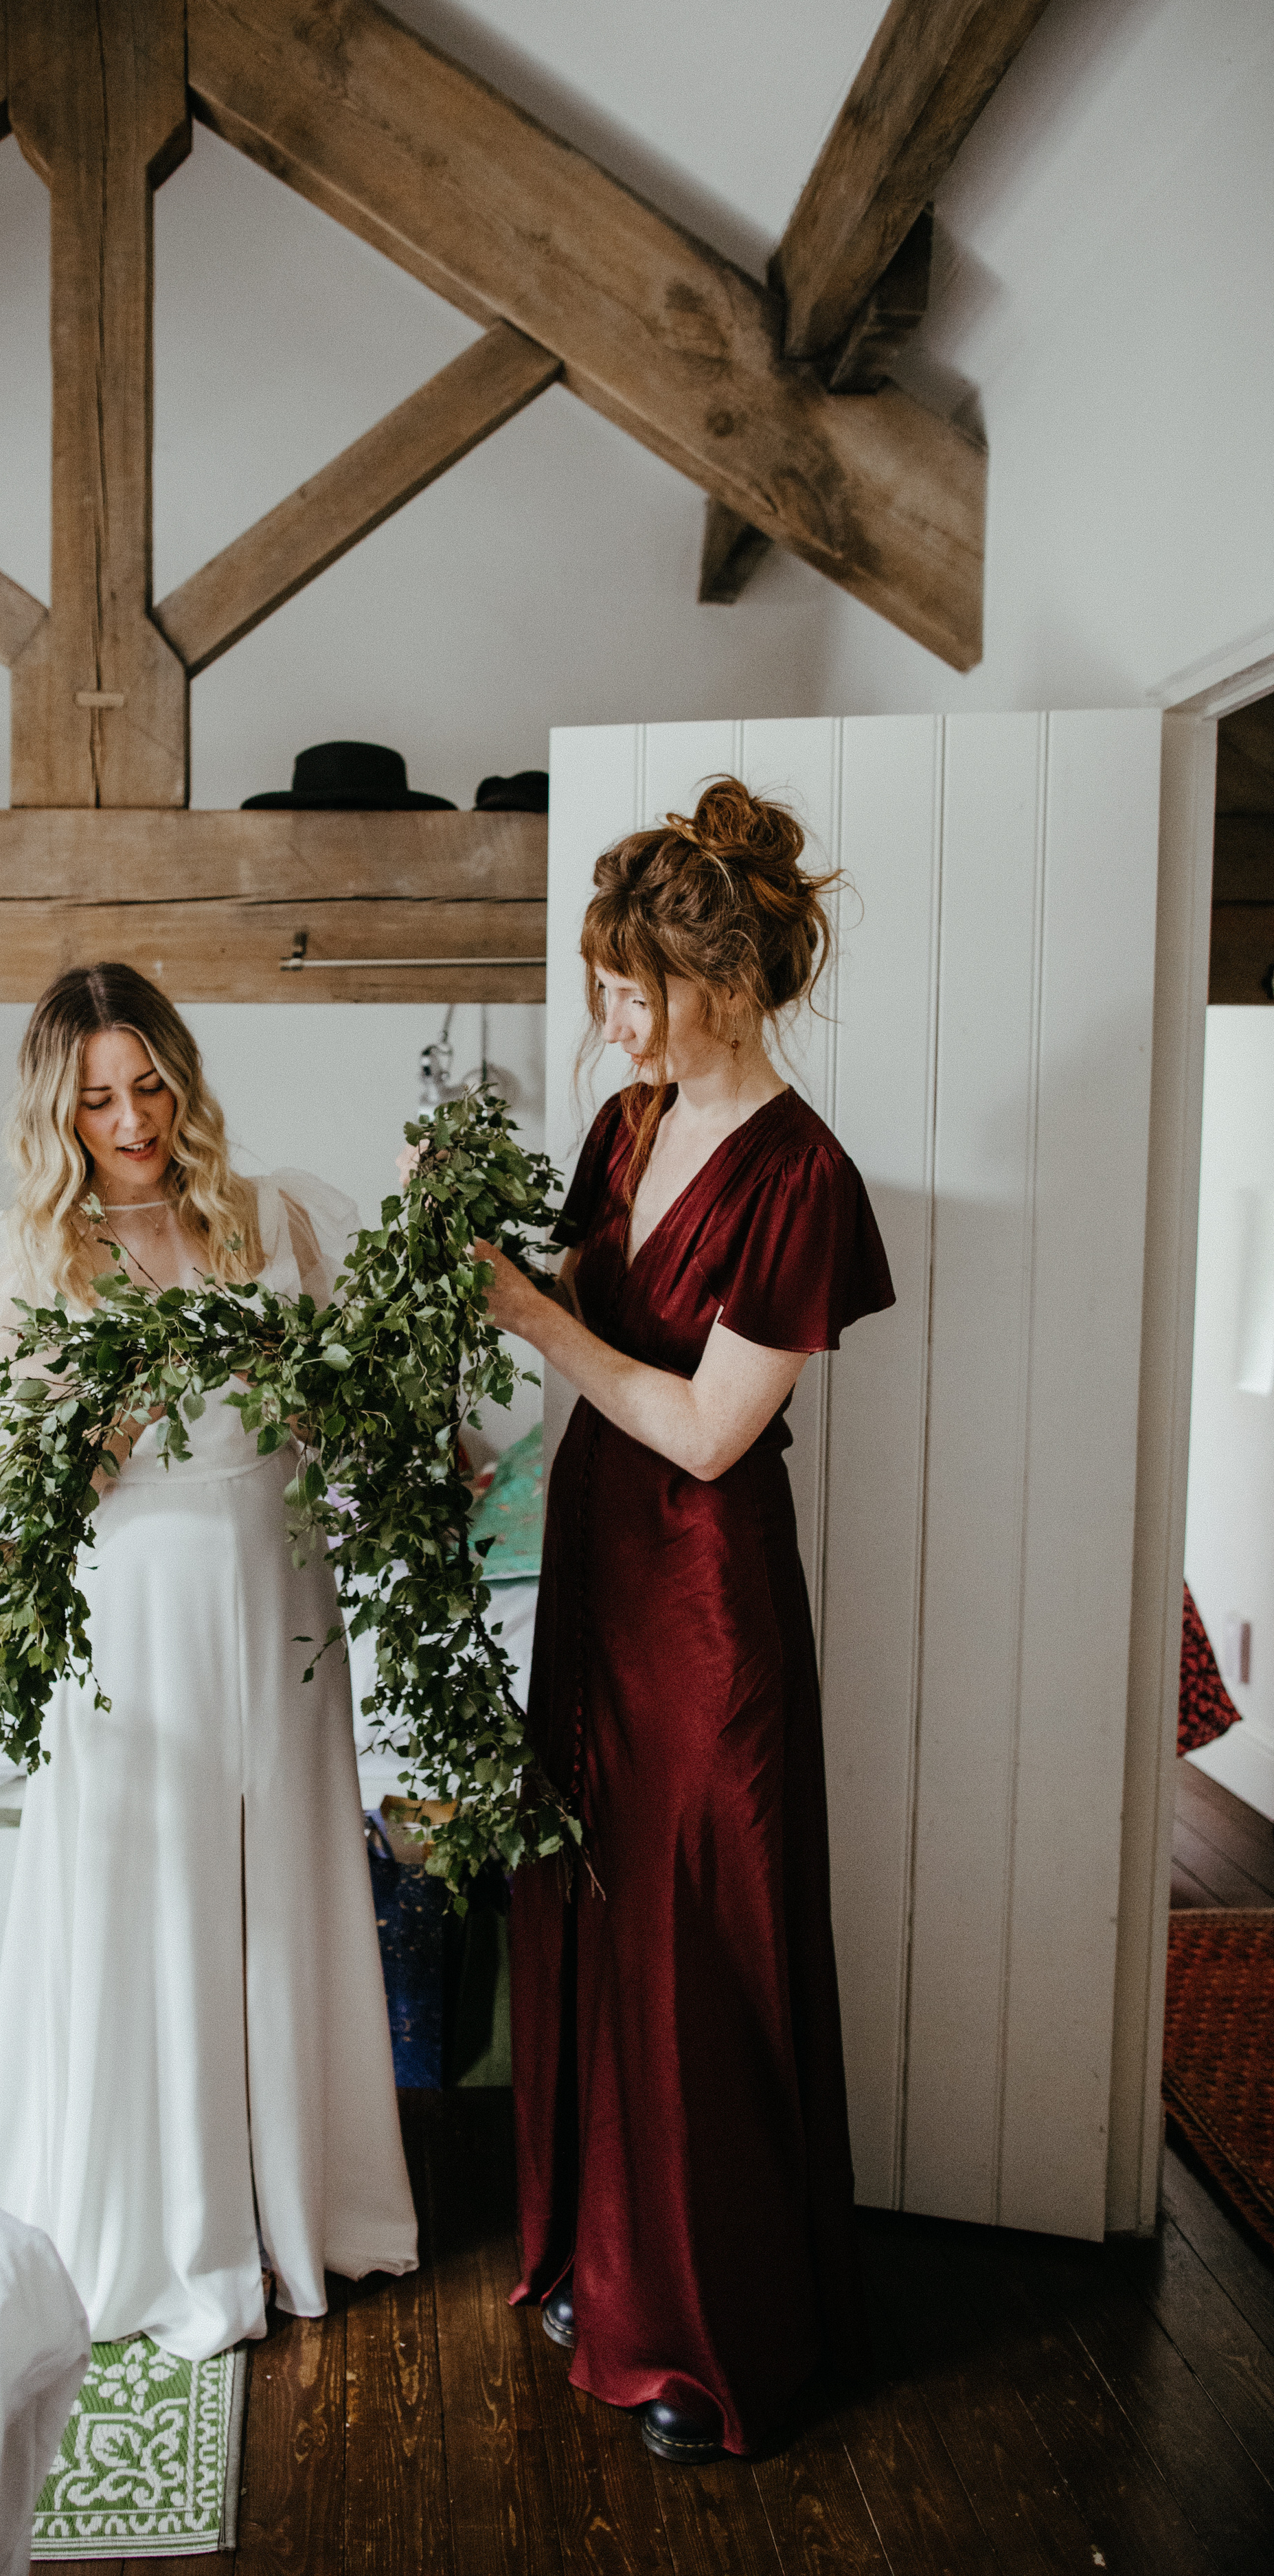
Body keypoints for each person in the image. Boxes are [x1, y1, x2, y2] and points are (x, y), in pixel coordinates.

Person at [471, 780, 895, 2464]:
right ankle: (601, 2251)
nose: (609, 1016)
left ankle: (704, 2329)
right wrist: (493, 1264)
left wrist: (529, 1319)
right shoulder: (626, 1126)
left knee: (695, 1931)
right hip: (594, 1554)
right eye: (604, 983)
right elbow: (591, 1299)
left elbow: (710, 1432)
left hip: (704, 1596)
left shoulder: (804, 1177)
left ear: (724, 983)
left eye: (632, 987)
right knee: (587, 1896)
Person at [0, 962, 417, 2360]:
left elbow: (336, 1418)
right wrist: (117, 1395)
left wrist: (406, 1440)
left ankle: (302, 2211)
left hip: (276, 1596)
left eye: (148, 1084)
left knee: (284, 1890)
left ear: (181, 1077)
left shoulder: (278, 1217)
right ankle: (162, 2230)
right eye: (96, 1098)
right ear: (58, 1110)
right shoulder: (20, 1256)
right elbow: (50, 1489)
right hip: (130, 1617)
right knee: (143, 1901)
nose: (131, 1119)